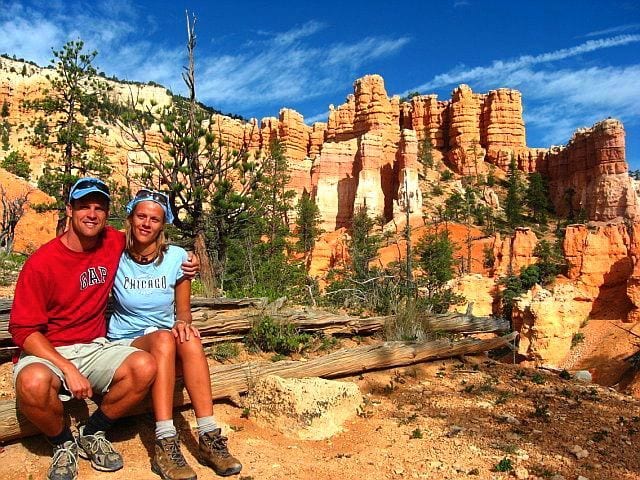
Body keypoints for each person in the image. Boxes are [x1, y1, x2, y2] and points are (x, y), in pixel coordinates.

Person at [8, 178, 198, 480]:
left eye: (99, 208)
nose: (92, 214)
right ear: (69, 210)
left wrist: (186, 260)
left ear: (107, 214)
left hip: (95, 345)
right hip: (49, 350)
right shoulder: (42, 262)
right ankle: (63, 442)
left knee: (144, 366)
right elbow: (23, 329)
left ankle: (93, 430)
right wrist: (66, 368)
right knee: (32, 383)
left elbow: (148, 236)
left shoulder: (111, 242)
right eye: (84, 207)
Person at [107, 188, 242, 480]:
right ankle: (165, 441)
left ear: (163, 224)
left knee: (189, 335)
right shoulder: (114, 254)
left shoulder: (177, 257)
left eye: (154, 219)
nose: (146, 223)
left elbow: (183, 312)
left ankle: (208, 435)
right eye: (141, 216)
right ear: (130, 219)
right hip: (127, 340)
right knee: (165, 338)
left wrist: (183, 321)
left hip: (164, 339)